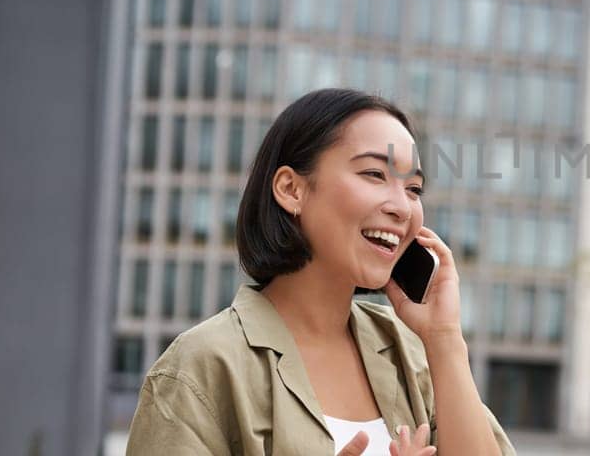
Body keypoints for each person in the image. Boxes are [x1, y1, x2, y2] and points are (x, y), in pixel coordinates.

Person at [125, 89, 514, 456]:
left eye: (414, 189)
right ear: (291, 189)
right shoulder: (202, 366)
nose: (402, 207)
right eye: (374, 175)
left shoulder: (414, 355)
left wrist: (444, 339)